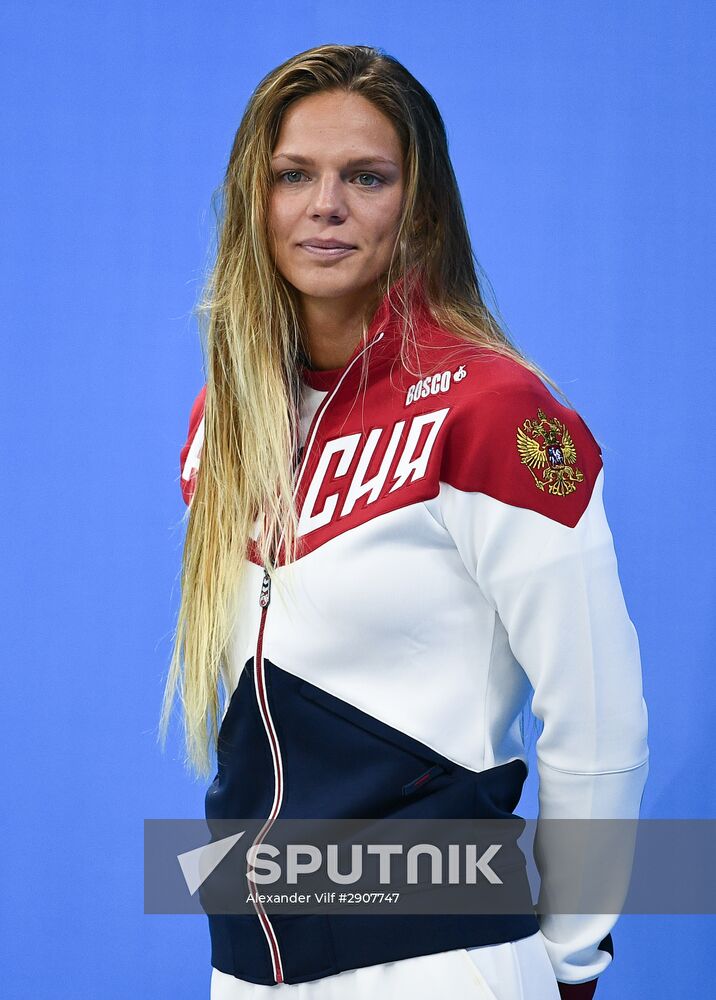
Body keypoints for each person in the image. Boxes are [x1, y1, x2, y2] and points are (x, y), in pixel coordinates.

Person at [160, 44, 649, 1000]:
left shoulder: (497, 414)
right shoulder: (227, 421)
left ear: (418, 205)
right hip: (250, 969)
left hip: (440, 963)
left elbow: (599, 723)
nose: (324, 205)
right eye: (292, 175)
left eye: (366, 177)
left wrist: (575, 961)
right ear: (252, 205)